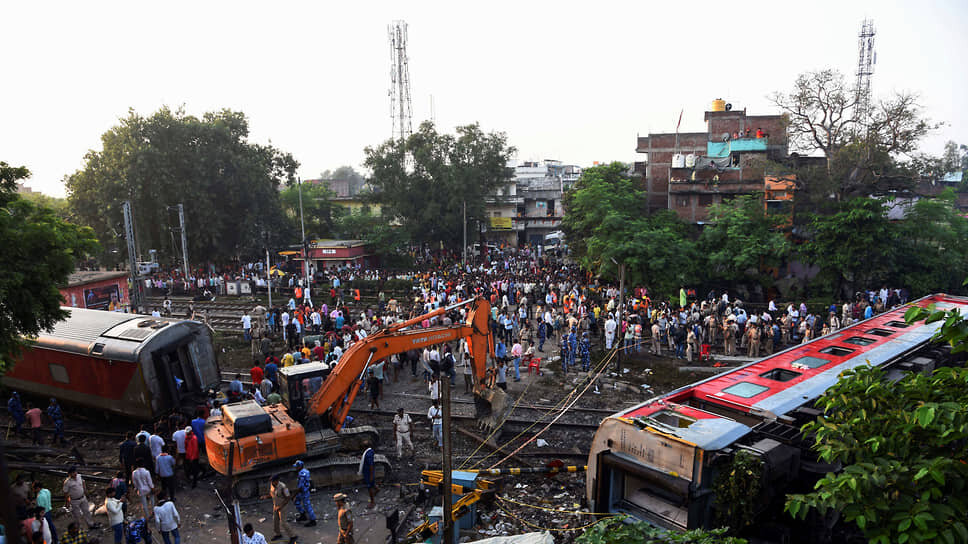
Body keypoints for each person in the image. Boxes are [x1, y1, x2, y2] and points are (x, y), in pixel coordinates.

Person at [265, 474, 296, 544]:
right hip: (275, 506)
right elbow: (272, 494)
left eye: (273, 481)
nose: (272, 482)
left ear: (277, 480)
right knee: (275, 521)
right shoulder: (272, 485)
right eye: (271, 481)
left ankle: (293, 536)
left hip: (283, 506)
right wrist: (266, 496)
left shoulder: (283, 487)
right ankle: (278, 534)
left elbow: (288, 497)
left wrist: (280, 506)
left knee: (283, 523)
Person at [292, 460, 317, 527]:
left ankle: (313, 520)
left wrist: (294, 495)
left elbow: (301, 487)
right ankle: (303, 515)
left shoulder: (302, 474)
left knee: (307, 506)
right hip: (303, 491)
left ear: (300, 466)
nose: (296, 468)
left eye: (297, 467)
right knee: (296, 502)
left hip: (304, 492)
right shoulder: (305, 471)